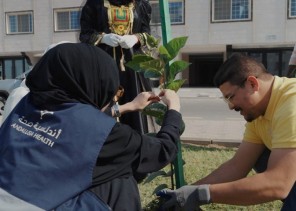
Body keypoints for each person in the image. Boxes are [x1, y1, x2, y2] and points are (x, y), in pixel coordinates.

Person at [0, 43, 182, 210]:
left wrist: (130, 106)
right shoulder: (107, 135)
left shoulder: (25, 103)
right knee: (120, 177)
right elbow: (163, 150)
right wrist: (174, 109)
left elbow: (71, 128)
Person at [157, 53, 296, 211]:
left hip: (285, 182)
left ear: (252, 83)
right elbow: (237, 166)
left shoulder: (291, 102)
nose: (230, 106)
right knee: (259, 156)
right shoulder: (258, 111)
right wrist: (185, 193)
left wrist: (201, 194)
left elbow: (278, 183)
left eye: (230, 97)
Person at [79, 0, 153, 135]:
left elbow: (147, 33)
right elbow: (84, 34)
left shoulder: (141, 4)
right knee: (105, 103)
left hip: (133, 66)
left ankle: (136, 143)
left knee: (135, 103)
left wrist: (135, 38)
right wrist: (102, 38)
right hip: (102, 65)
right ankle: (107, 144)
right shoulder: (94, 4)